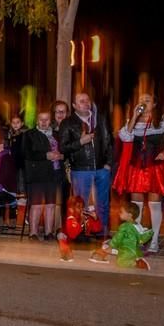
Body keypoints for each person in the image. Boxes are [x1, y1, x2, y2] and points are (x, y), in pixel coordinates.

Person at [112, 93, 164, 253]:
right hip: (137, 168)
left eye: (147, 100)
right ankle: (136, 238)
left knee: (154, 204)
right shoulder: (133, 121)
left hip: (155, 167)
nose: (143, 103)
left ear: (154, 104)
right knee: (136, 206)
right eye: (141, 100)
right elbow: (125, 137)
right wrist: (134, 116)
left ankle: (154, 241)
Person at [59, 93, 113, 238]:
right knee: (80, 204)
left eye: (87, 100)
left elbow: (109, 141)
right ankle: (81, 232)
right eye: (81, 101)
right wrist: (80, 142)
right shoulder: (68, 123)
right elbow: (63, 148)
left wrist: (109, 163)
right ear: (75, 106)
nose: (86, 103)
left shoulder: (99, 119)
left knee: (102, 203)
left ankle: (102, 232)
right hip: (81, 169)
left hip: (102, 169)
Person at [24, 112, 64, 241]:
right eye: (41, 119)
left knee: (51, 204)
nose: (44, 122)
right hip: (37, 174)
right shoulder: (30, 134)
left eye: (46, 119)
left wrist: (62, 156)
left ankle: (48, 233)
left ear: (50, 120)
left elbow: (65, 150)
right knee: (36, 204)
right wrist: (45, 155)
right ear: (37, 121)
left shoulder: (57, 135)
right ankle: (33, 233)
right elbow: (26, 153)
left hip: (55, 173)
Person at [89, 202, 153, 270]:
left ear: (129, 215)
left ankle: (137, 263)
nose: (119, 213)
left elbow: (117, 239)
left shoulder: (125, 226)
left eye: (121, 212)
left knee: (121, 262)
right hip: (135, 250)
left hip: (127, 250)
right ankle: (103, 253)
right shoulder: (137, 225)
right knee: (108, 246)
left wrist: (111, 245)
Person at [56, 195, 103, 262]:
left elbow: (97, 229)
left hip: (83, 239)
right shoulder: (70, 218)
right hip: (72, 240)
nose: (81, 209)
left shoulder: (85, 216)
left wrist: (96, 219)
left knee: (100, 242)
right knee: (60, 234)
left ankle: (96, 255)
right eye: (78, 207)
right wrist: (81, 222)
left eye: (82, 207)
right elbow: (73, 235)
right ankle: (66, 252)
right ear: (71, 209)